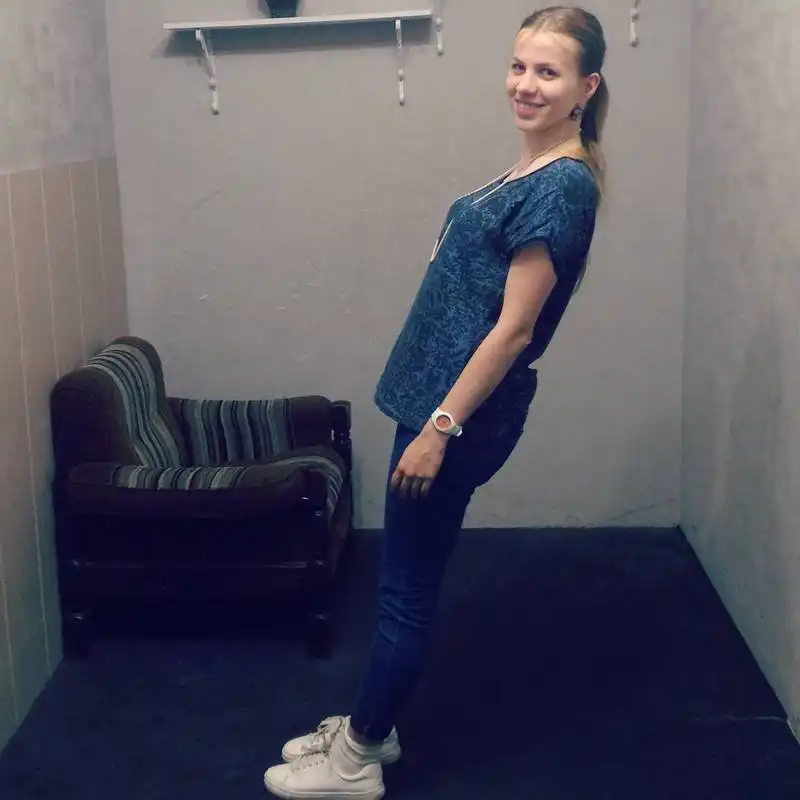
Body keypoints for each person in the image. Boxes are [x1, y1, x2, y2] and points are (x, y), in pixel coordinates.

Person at [264, 6, 608, 798]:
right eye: (519, 66)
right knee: (402, 580)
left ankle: (356, 761)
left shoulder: (562, 187)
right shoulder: (534, 167)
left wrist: (441, 429)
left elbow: (514, 330)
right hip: (433, 405)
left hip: (452, 418)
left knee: (404, 592)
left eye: (548, 72)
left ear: (586, 88)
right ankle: (372, 727)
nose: (526, 84)